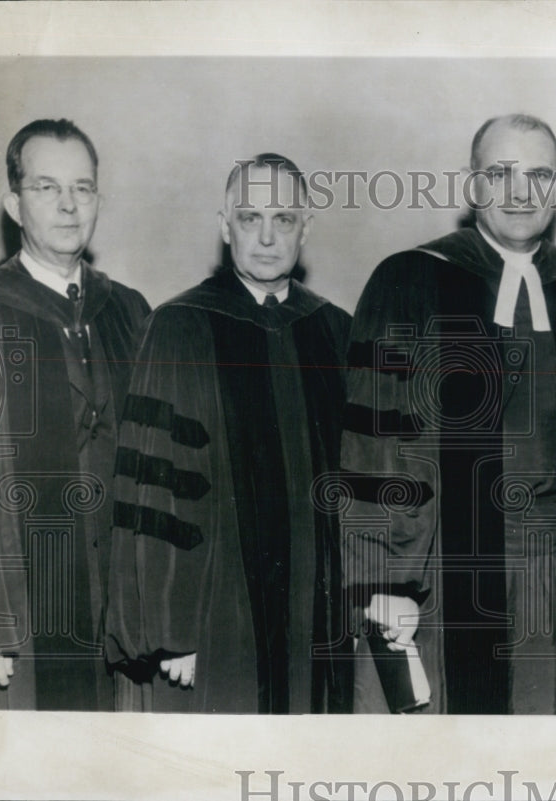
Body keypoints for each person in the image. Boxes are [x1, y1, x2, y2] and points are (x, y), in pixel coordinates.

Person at [341, 114, 556, 714]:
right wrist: (385, 583)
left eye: (540, 175)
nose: (522, 192)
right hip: (443, 567)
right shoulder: (410, 280)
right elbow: (375, 445)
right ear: (472, 185)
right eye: (501, 174)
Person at [104, 154, 352, 713]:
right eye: (249, 218)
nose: (266, 237)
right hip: (214, 616)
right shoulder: (179, 327)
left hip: (315, 615)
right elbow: (155, 490)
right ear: (224, 226)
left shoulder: (335, 332)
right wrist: (170, 629)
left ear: (305, 230)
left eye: (284, 219)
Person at [0, 118, 151, 710]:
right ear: (13, 202)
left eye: (82, 188)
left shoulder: (130, 312)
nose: (68, 205)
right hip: (27, 598)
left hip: (122, 604)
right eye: (46, 187)